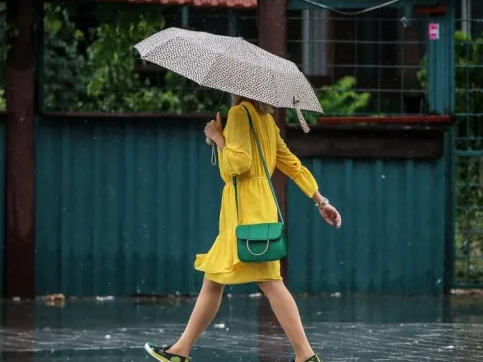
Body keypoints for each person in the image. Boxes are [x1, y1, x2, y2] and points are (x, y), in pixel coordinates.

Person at [144, 95, 342, 362]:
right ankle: (181, 350)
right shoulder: (266, 119)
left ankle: (304, 355)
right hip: (261, 207)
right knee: (231, 279)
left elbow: (238, 165)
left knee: (259, 280)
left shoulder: (239, 113)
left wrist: (218, 137)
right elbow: (291, 164)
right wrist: (321, 201)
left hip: (244, 210)